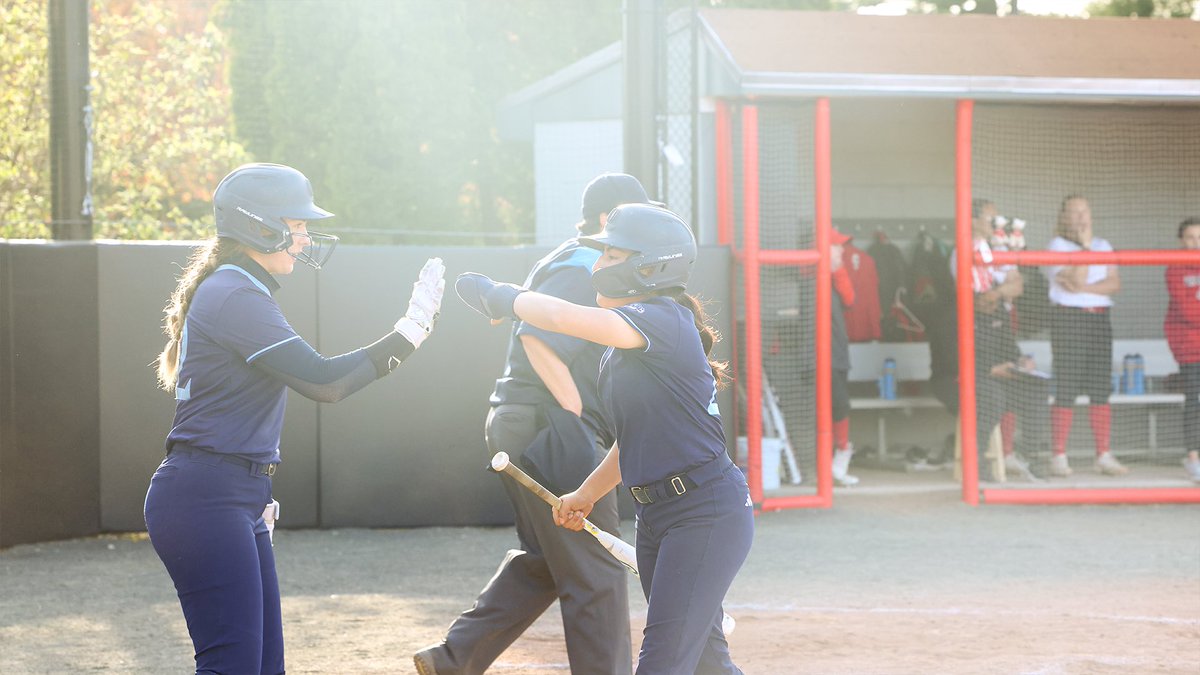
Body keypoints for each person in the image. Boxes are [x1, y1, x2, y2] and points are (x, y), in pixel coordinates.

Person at [144, 163, 445, 675]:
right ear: (257, 225)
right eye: (297, 225)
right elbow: (325, 382)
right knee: (233, 667)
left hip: (228, 492)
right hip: (206, 496)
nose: (304, 238)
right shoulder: (235, 292)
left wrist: (254, 486)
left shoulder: (238, 288)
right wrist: (409, 333)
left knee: (263, 668)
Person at [455, 204, 754, 675]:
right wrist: (586, 495)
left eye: (611, 257)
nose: (597, 268)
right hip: (660, 517)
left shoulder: (663, 318)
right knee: (707, 663)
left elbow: (558, 316)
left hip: (705, 513)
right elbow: (630, 441)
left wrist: (501, 295)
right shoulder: (618, 355)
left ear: (650, 267)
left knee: (660, 663)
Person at [413, 174, 650, 675]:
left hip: (523, 424)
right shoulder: (589, 263)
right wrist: (577, 417)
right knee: (598, 571)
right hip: (550, 427)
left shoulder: (572, 256)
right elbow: (537, 339)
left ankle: (454, 659)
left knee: (547, 555)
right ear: (608, 219)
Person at [954, 199, 1044, 481]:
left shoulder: (998, 252)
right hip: (974, 370)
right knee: (992, 397)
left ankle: (1029, 457)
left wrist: (1020, 362)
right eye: (991, 221)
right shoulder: (962, 252)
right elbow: (978, 299)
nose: (997, 226)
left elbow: (1015, 285)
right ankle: (977, 465)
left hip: (999, 358)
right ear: (973, 221)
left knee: (1037, 388)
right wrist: (989, 370)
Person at [1042, 195, 1126, 477]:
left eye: (1084, 211)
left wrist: (1085, 288)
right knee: (1067, 384)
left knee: (1100, 386)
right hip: (1069, 318)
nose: (1080, 217)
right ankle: (1059, 455)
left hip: (1099, 318)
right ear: (1063, 217)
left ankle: (1103, 453)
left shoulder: (1104, 244)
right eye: (1073, 212)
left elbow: (1114, 284)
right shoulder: (1058, 245)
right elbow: (1076, 280)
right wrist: (1086, 250)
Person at [1164, 217, 1200, 482]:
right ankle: (1193, 457)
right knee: (1195, 400)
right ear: (1181, 241)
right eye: (1190, 237)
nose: (1196, 242)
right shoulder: (1175, 267)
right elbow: (1189, 311)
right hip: (1189, 345)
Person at [829, 229, 859, 486]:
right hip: (816, 356)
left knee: (841, 406)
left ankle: (841, 458)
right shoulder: (808, 277)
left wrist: (837, 269)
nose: (841, 251)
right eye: (835, 247)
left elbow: (851, 299)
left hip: (837, 354)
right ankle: (830, 463)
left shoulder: (837, 277)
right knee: (831, 407)